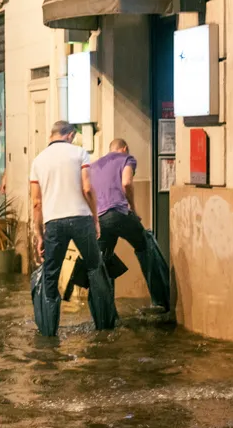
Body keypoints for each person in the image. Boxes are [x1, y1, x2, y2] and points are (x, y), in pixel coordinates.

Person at [30, 121, 117, 336]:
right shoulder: (79, 153)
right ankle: (104, 325)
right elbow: (87, 188)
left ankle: (49, 332)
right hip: (81, 219)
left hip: (54, 223)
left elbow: (36, 203)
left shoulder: (38, 162)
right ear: (69, 135)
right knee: (95, 269)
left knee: (51, 276)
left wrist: (39, 235)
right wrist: (95, 219)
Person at [90, 139, 170, 310]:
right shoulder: (127, 158)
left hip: (100, 219)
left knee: (104, 260)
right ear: (124, 148)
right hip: (119, 214)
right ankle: (161, 301)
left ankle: (105, 312)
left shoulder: (94, 165)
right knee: (145, 246)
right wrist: (133, 209)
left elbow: (87, 191)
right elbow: (126, 183)